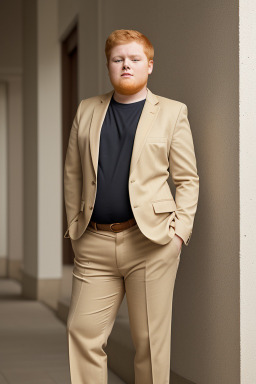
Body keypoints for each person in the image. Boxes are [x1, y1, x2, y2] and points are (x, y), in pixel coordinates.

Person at [64, 29, 199, 384]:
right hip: (93, 244)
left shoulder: (172, 113)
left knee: (150, 344)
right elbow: (72, 176)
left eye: (135, 59)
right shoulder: (87, 110)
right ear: (109, 65)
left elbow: (188, 180)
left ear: (149, 66)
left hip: (151, 244)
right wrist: (75, 230)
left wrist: (178, 235)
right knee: (82, 332)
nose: (126, 65)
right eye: (118, 59)